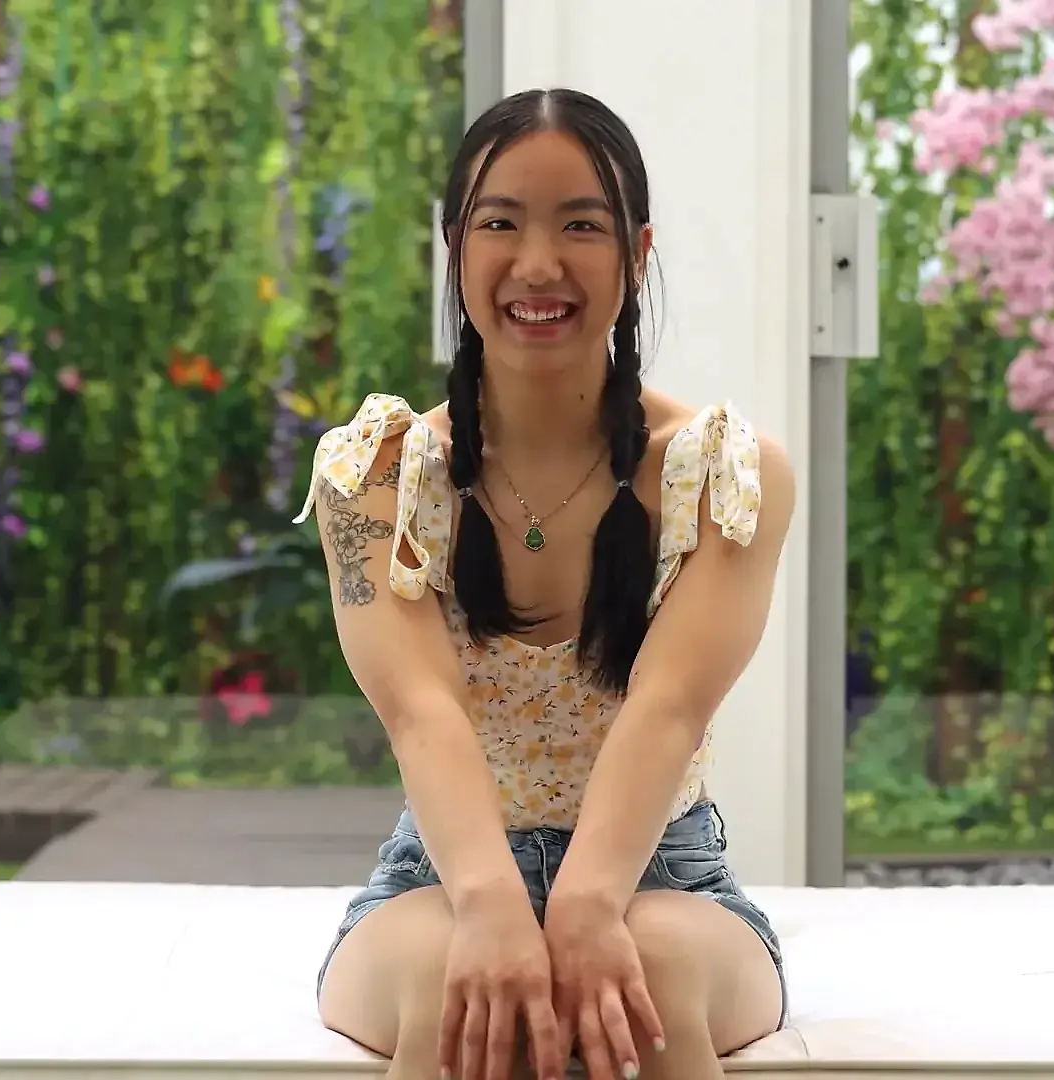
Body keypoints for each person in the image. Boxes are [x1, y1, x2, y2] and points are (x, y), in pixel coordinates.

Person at [294, 87, 796, 1080]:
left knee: (649, 981)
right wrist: (489, 905)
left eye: (581, 226)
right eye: (499, 224)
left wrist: (590, 902)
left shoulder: (723, 475)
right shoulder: (376, 475)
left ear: (637, 254)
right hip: (438, 879)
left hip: (666, 878)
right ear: (454, 249)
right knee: (450, 982)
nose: (537, 264)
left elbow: (668, 707)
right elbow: (421, 712)